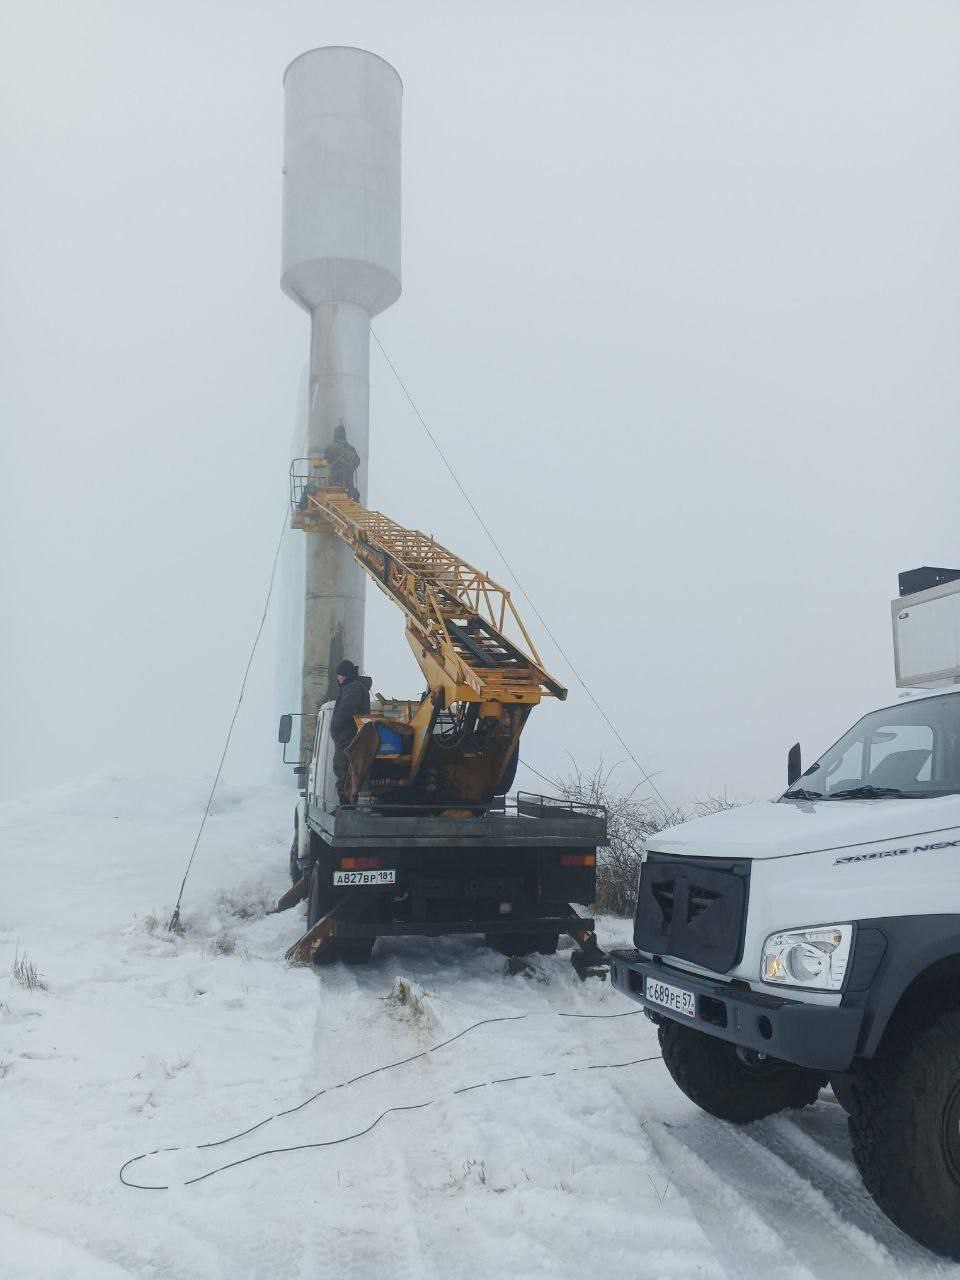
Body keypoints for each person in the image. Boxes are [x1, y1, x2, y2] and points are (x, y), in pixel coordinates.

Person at [330, 659, 370, 804]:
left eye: (339, 674)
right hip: (350, 739)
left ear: (345, 675)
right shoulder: (355, 687)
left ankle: (345, 806)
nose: (338, 678)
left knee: (344, 771)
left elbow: (347, 710)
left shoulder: (352, 688)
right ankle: (346, 804)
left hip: (348, 740)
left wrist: (335, 725)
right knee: (348, 773)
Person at [324, 423, 361, 500]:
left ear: (335, 435)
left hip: (335, 480)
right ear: (344, 435)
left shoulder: (331, 447)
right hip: (349, 482)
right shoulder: (351, 448)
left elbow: (326, 459)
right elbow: (357, 461)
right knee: (351, 498)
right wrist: (350, 468)